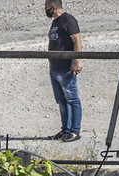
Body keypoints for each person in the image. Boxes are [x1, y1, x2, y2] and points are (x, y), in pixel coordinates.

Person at [45, 0, 82, 142]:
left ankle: (75, 131)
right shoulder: (55, 22)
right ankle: (65, 130)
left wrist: (76, 61)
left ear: (53, 7)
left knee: (72, 99)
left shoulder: (68, 20)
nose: (46, 10)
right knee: (61, 100)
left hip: (66, 67)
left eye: (46, 7)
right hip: (55, 67)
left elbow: (77, 40)